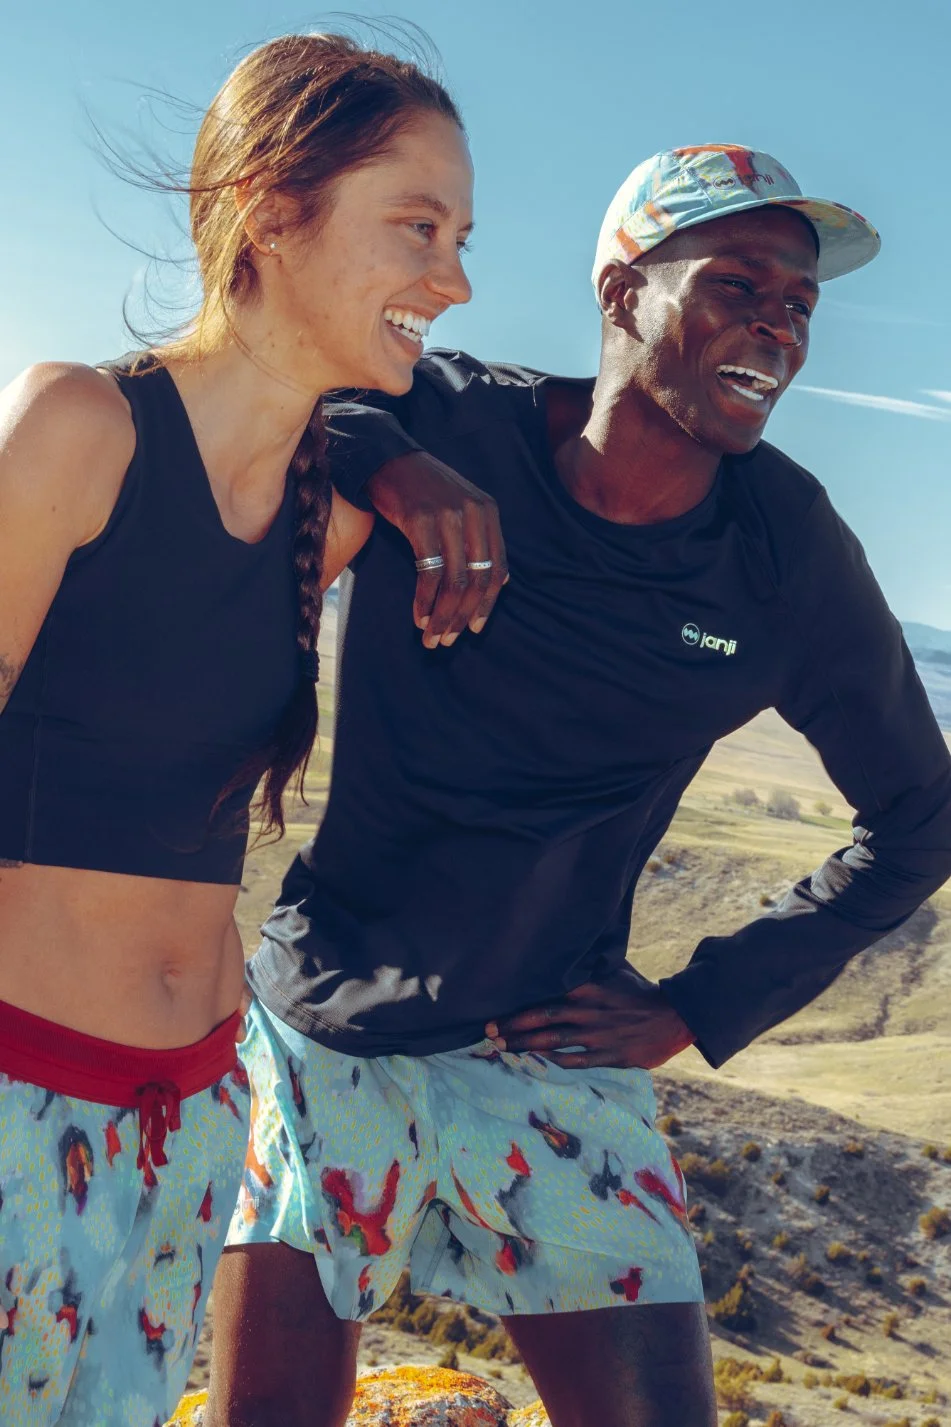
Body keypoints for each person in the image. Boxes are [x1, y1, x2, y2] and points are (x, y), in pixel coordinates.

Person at [209, 145, 951, 1427]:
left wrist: (696, 1005)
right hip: (324, 1021)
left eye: (799, 302)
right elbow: (285, 386)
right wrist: (387, 459)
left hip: (552, 1052)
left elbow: (921, 816)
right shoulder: (450, 420)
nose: (779, 320)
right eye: (737, 284)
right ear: (623, 296)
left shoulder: (784, 554)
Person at [0, 31, 506, 1426]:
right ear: (269, 210)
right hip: (16, 1100)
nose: (453, 278)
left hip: (194, 1123)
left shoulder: (325, 517)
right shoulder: (76, 426)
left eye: (460, 236)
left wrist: (390, 455)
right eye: (417, 225)